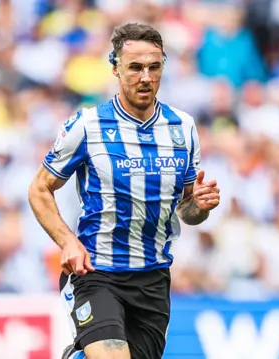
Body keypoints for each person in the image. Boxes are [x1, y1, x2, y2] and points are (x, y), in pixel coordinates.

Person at [28, 23, 221, 359]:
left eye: (154, 67)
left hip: (153, 278)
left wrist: (199, 206)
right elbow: (40, 189)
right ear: (116, 68)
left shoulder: (183, 128)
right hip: (97, 272)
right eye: (135, 67)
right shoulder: (87, 125)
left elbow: (186, 211)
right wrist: (67, 241)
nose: (145, 77)